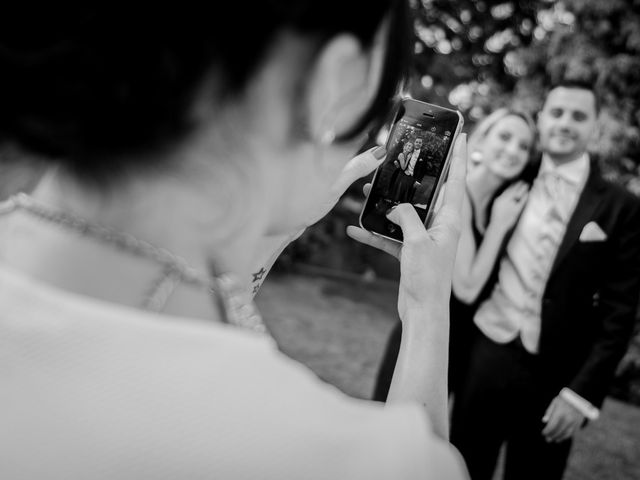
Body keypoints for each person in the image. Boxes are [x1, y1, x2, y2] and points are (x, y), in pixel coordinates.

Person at [0, 5, 470, 479]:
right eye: (379, 101)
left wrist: (279, 227)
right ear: (337, 83)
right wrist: (426, 304)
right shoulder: (318, 453)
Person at [450, 80, 640, 480]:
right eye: (556, 113)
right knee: (461, 468)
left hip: (556, 378)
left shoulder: (621, 206)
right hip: (485, 353)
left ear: (594, 125)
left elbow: (619, 312)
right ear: (541, 119)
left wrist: (582, 393)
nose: (565, 123)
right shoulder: (513, 175)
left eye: (578, 115)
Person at [373, 108, 536, 400]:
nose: (513, 150)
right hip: (422, 341)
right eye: (505, 137)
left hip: (459, 345)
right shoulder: (456, 197)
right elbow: (468, 288)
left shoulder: (502, 203)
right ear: (481, 141)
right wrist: (498, 226)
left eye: (523, 146)